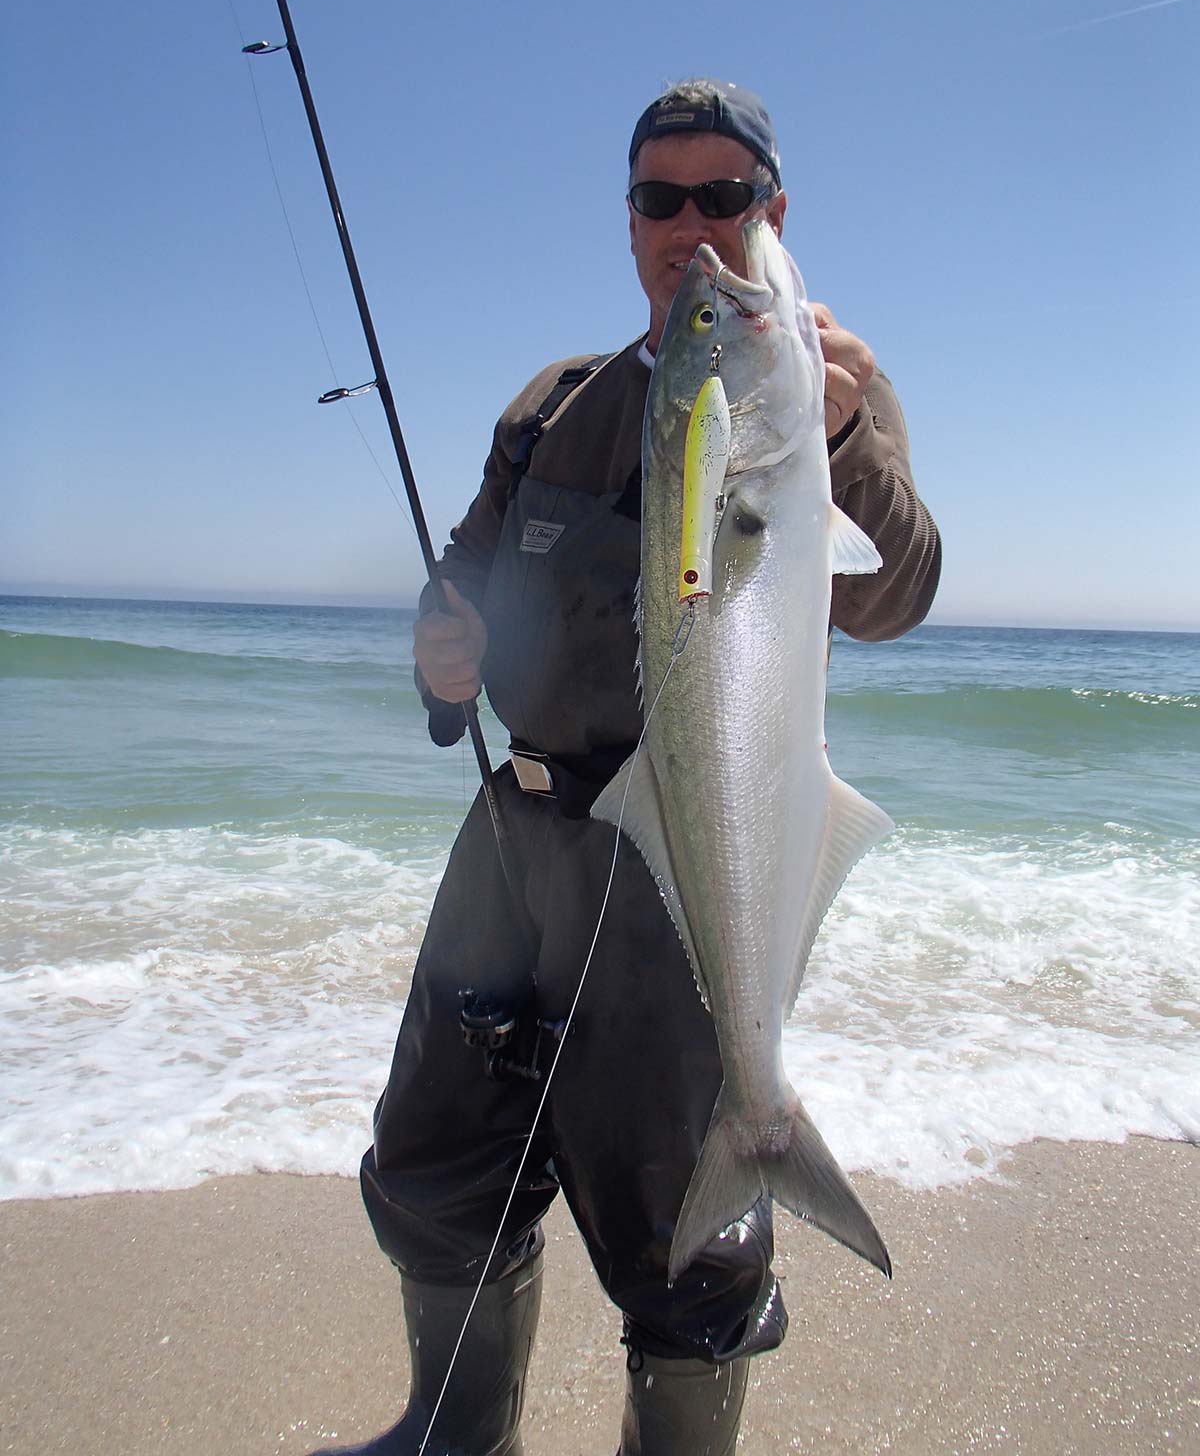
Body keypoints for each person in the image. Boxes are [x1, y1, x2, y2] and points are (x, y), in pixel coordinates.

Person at [317, 80, 941, 1456]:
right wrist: (442, 653)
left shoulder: (822, 383)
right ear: (631, 218)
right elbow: (466, 580)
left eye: (724, 198)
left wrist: (839, 435)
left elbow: (896, 592)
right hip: (514, 844)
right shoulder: (555, 403)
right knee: (433, 1167)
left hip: (676, 872)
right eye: (661, 199)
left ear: (772, 215)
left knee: (687, 1247)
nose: (691, 231)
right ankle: (453, 1431)